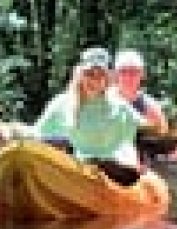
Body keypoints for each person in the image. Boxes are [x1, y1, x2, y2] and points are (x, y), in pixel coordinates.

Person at [33, 47, 149, 176]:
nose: (94, 80)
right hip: (75, 171)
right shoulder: (62, 103)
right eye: (89, 74)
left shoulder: (118, 105)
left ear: (107, 79)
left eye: (100, 75)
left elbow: (146, 130)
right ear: (80, 75)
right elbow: (37, 134)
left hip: (113, 172)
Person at [112, 48, 168, 131]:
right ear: (115, 74)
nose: (128, 77)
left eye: (133, 72)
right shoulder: (103, 101)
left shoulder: (151, 108)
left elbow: (164, 137)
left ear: (142, 74)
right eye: (123, 71)